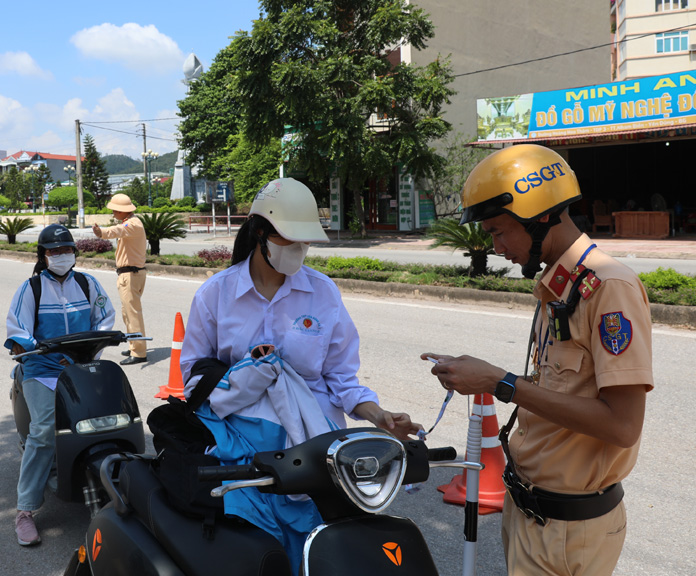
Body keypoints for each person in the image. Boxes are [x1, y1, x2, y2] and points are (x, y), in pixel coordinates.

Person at [422, 144, 653, 576]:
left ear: (539, 216)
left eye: (498, 231)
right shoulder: (560, 285)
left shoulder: (608, 288)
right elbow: (554, 390)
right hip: (531, 512)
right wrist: (484, 374)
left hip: (568, 531)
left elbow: (622, 426)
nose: (494, 246)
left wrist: (498, 382)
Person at [180, 178, 419, 570]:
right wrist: (245, 375)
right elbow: (194, 375)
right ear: (260, 233)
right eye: (289, 241)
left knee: (322, 551)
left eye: (305, 243)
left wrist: (380, 417)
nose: (299, 252)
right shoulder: (216, 294)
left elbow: (343, 377)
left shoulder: (322, 294)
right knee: (259, 555)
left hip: (315, 451)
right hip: (243, 454)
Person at [3, 224, 115, 547]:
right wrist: (28, 344)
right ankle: (25, 511)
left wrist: (100, 340)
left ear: (75, 254)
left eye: (66, 250)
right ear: (43, 256)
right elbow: (17, 326)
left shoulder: (87, 283)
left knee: (106, 414)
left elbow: (105, 316)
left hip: (79, 366)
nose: (61, 256)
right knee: (43, 428)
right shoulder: (32, 289)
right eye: (53, 251)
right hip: (42, 369)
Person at [92, 193, 148, 365]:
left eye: (116, 210)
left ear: (124, 211)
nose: (113, 213)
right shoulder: (130, 222)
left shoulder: (132, 224)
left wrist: (101, 232)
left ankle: (139, 353)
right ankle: (134, 345)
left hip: (130, 274)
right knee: (128, 313)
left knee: (132, 314)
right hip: (130, 273)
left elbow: (117, 231)